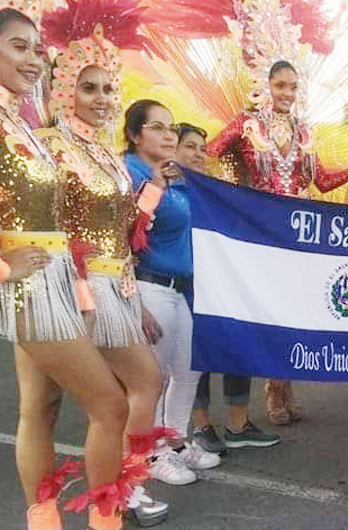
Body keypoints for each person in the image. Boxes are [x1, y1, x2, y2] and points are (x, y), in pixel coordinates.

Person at [38, 8, 176, 525]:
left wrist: (157, 185)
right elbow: (59, 230)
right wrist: (82, 298)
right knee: (52, 406)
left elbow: (126, 232)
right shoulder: (52, 147)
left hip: (117, 283)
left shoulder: (107, 157)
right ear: (65, 90)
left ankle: (122, 489)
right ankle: (77, 505)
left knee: (140, 386)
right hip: (76, 286)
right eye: (89, 88)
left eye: (107, 89)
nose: (100, 99)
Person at [0, 6, 133, 530]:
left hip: (53, 279)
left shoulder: (19, 122)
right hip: (28, 286)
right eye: (18, 47)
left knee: (41, 409)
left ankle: (44, 522)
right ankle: (106, 522)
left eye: (37, 50)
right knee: (110, 405)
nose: (34, 60)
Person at [207, 60, 348, 426]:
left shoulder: (304, 132)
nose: (287, 93)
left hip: (298, 235)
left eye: (293, 86)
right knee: (270, 313)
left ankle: (284, 385)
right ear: (266, 86)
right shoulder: (245, 124)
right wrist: (234, 198)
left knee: (293, 313)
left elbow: (322, 182)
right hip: (260, 235)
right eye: (280, 85)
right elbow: (209, 156)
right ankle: (273, 388)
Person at [123, 100, 223, 485]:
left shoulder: (172, 178)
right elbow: (128, 229)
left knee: (188, 370)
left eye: (170, 129)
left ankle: (176, 442)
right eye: (158, 128)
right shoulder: (131, 171)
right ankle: (150, 455)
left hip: (179, 291)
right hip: (150, 286)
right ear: (134, 135)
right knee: (153, 380)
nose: (167, 135)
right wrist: (133, 300)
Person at [174, 122, 279, 452]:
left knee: (238, 345)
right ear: (172, 148)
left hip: (222, 283)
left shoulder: (212, 190)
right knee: (197, 356)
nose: (198, 154)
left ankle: (238, 423)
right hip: (184, 287)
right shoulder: (161, 188)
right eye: (189, 146)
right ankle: (201, 426)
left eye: (201, 149)